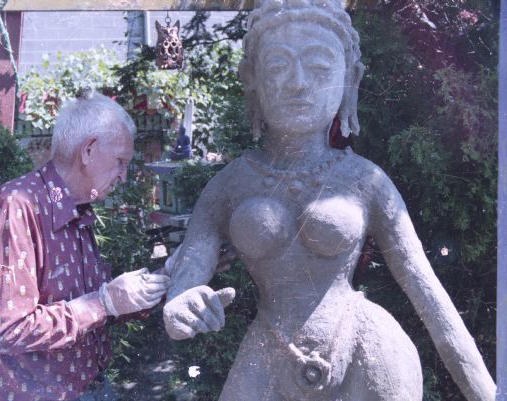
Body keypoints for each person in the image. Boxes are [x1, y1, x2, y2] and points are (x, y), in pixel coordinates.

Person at [162, 1, 496, 400]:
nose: (298, 84)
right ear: (251, 79)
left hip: (367, 346)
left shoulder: (365, 180)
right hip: (268, 348)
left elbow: (427, 291)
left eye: (319, 68)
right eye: (277, 67)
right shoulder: (230, 185)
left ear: (348, 81)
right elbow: (189, 270)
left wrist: (485, 391)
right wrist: (180, 305)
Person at [0, 93, 170, 401]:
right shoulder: (18, 206)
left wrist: (167, 278)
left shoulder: (76, 208)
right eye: (120, 162)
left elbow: (97, 307)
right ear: (88, 150)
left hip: (88, 389)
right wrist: (104, 302)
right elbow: (6, 330)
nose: (123, 177)